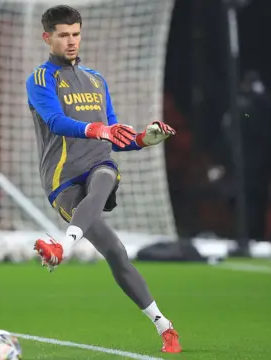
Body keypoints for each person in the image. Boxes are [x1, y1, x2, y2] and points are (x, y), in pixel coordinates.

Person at [25, 5, 181, 353]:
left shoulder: (96, 80)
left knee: (105, 173)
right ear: (47, 37)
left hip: (98, 164)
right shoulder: (40, 78)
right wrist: (98, 128)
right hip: (62, 178)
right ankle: (164, 324)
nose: (71, 41)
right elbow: (54, 121)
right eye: (63, 35)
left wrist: (143, 139)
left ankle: (62, 248)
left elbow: (114, 136)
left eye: (76, 34)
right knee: (115, 251)